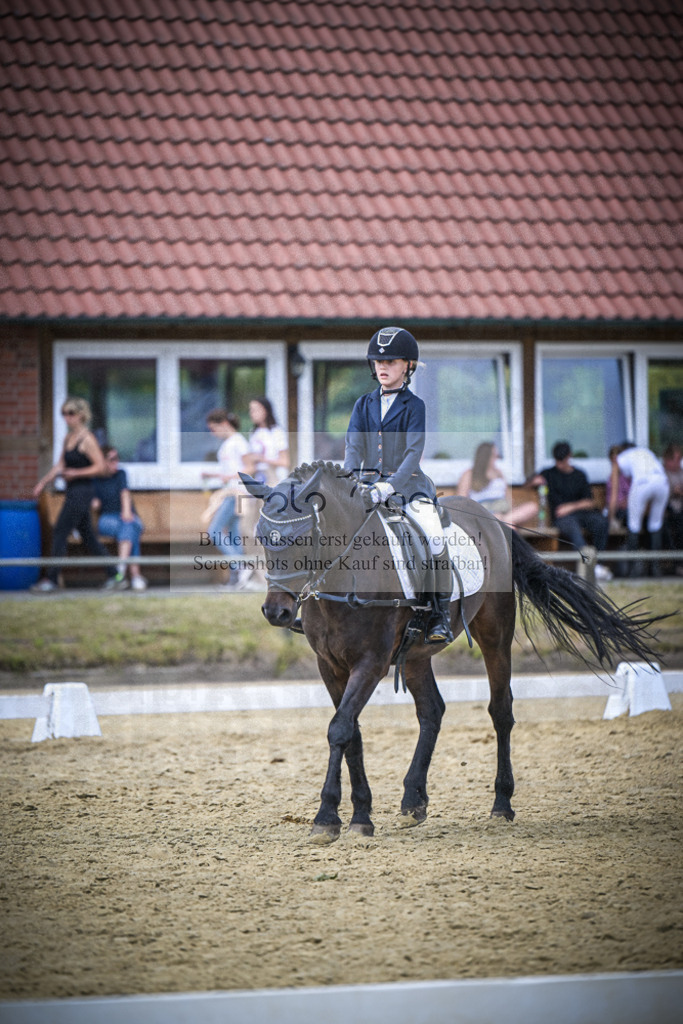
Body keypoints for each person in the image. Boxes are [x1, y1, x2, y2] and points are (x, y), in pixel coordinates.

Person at [344, 325, 454, 644]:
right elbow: (353, 448)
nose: (382, 367)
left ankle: (440, 615)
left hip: (409, 488)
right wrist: (351, 481)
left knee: (433, 536)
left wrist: (389, 487)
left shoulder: (414, 406)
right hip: (367, 487)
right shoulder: (362, 405)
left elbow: (412, 453)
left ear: (407, 365)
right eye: (378, 362)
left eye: (390, 362)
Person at [30, 397, 115, 592]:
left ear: (81, 415)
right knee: (89, 538)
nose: (66, 418)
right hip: (72, 491)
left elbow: (101, 467)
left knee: (60, 531)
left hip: (83, 491)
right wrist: (43, 482)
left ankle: (50, 580)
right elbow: (60, 465)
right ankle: (115, 574)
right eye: (64, 414)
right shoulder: (68, 439)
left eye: (70, 413)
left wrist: (76, 473)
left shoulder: (88, 439)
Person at [529, 440, 611, 580]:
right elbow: (528, 482)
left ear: (569, 456)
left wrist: (570, 507)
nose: (560, 464)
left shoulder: (579, 475)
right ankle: (589, 566)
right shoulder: (549, 473)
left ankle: (597, 563)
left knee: (601, 523)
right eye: (557, 460)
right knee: (573, 529)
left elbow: (589, 502)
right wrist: (534, 482)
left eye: (563, 460)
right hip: (561, 519)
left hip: (581, 514)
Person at [240, 397, 290, 589]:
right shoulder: (254, 434)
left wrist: (261, 458)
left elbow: (284, 461)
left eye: (256, 409)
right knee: (246, 529)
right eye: (250, 410)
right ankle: (259, 575)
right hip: (255, 485)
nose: (252, 414)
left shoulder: (275, 433)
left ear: (266, 411)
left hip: (272, 484)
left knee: (267, 531)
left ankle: (273, 576)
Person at [200, 410, 251, 589]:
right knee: (234, 535)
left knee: (214, 531)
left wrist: (228, 476)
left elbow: (249, 468)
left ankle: (240, 566)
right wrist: (213, 474)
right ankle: (236, 579)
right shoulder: (228, 444)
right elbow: (230, 470)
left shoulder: (238, 442)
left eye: (214, 429)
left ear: (224, 424)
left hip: (236, 493)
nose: (213, 433)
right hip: (231, 490)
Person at [609, 442, 670, 577]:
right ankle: (655, 569)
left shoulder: (620, 459)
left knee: (634, 525)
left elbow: (614, 494)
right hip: (662, 482)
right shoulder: (645, 452)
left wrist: (612, 518)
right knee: (655, 524)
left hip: (642, 483)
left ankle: (631, 571)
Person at [93, 446, 148, 591]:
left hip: (128, 517)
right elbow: (93, 503)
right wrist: (92, 503)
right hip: (107, 519)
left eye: (117, 458)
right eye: (112, 459)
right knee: (130, 529)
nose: (116, 462)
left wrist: (126, 511)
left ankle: (119, 574)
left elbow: (124, 493)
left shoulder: (120, 474)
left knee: (129, 526)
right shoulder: (94, 479)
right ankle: (135, 576)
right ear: (102, 461)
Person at [457, 441, 538, 527]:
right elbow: (461, 501)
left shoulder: (499, 473)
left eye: (496, 455)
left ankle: (503, 521)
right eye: (493, 455)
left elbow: (508, 499)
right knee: (510, 526)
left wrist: (509, 510)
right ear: (484, 456)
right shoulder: (469, 474)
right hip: (483, 512)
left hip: (503, 512)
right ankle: (503, 522)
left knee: (532, 507)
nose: (496, 458)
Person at [662, 443, 683, 569]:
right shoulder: (662, 473)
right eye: (677, 459)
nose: (679, 462)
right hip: (668, 512)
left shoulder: (681, 472)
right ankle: (678, 563)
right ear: (668, 460)